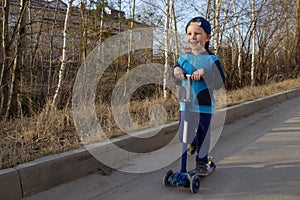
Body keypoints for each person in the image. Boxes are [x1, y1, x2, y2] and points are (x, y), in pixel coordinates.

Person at [173, 16, 226, 176]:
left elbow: (219, 82)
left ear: (208, 37)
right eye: (189, 34)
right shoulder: (183, 58)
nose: (192, 37)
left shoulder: (212, 60)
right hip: (186, 103)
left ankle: (202, 161)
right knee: (184, 133)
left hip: (204, 104)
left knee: (203, 133)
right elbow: (175, 79)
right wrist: (176, 71)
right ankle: (193, 142)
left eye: (197, 33)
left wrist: (205, 73)